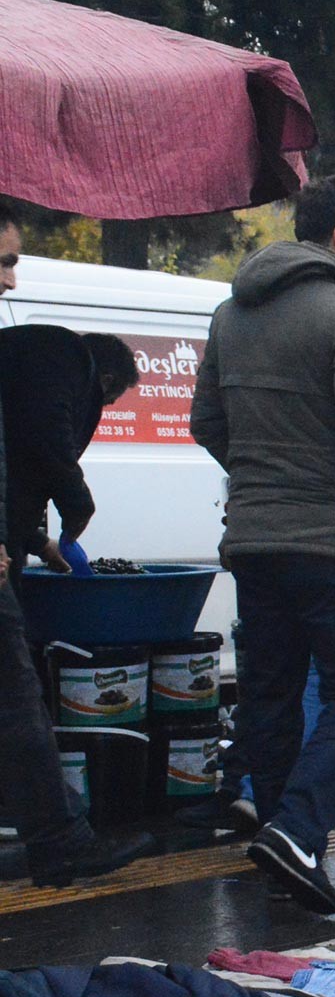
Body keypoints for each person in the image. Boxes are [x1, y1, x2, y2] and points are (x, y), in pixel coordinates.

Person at [191, 175, 335, 914]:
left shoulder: (230, 314)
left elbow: (205, 424)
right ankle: (300, 830)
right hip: (334, 541)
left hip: (252, 538)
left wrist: (259, 479)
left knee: (272, 693)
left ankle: (281, 844)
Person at [0, 202, 155, 887]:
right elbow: (44, 431)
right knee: (15, 696)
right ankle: (59, 840)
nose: (11, 279)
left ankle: (57, 835)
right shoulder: (63, 352)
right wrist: (77, 502)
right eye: (5, 259)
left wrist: (33, 537)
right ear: (107, 382)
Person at [0, 324, 138, 576]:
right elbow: (48, 438)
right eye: (106, 402)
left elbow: (16, 469)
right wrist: (78, 504)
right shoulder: (69, 361)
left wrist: (39, 543)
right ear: (106, 381)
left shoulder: (34, 364)